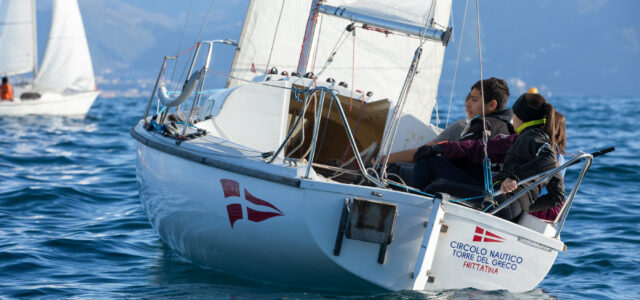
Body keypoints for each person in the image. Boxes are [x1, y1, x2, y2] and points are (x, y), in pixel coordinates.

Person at [426, 93, 563, 221]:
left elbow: (548, 160)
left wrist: (515, 177)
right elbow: (557, 197)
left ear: (521, 118)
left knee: (436, 186)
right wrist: (526, 208)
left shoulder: (531, 137)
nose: (512, 119)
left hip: (503, 202)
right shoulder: (548, 144)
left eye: (514, 115)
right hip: (511, 208)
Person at [409, 77, 514, 189]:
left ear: (492, 105)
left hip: (474, 187)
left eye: (474, 100)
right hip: (487, 186)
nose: (468, 104)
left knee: (427, 162)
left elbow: (460, 157)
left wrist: (435, 151)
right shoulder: (508, 128)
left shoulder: (483, 124)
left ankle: (412, 202)